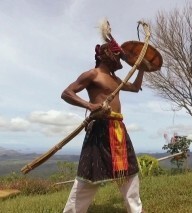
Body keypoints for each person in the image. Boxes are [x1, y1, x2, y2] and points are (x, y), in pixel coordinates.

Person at [61, 19, 144, 213]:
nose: (120, 60)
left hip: (118, 129)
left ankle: (136, 210)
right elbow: (67, 93)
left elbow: (136, 87)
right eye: (118, 56)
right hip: (99, 128)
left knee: (129, 172)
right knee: (89, 174)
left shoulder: (116, 79)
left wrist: (141, 67)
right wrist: (90, 105)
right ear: (107, 55)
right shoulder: (93, 74)